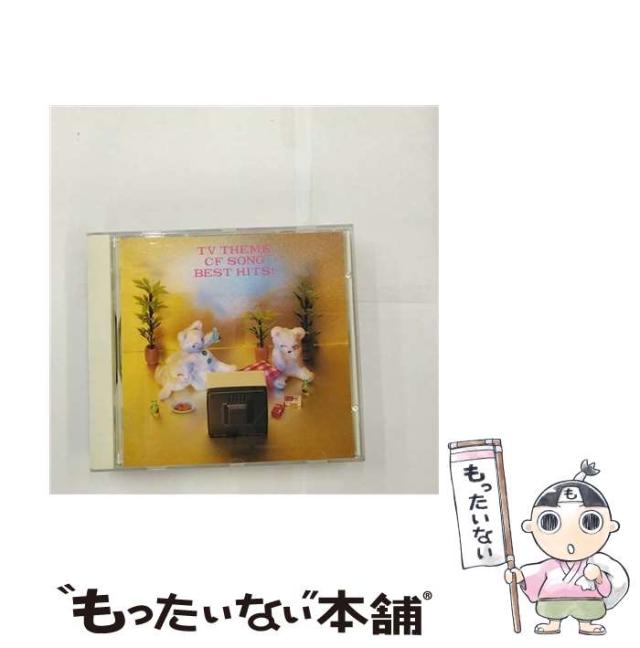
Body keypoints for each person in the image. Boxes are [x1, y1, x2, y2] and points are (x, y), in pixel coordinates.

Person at [505, 460, 629, 635]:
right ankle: (553, 623)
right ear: (530, 526)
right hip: (552, 602)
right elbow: (535, 575)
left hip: (588, 603)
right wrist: (519, 576)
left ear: (610, 526)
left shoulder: (594, 563)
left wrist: (599, 577)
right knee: (550, 609)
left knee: (589, 609)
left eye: (590, 522)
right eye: (550, 522)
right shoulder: (549, 566)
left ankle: (586, 623)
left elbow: (605, 589)